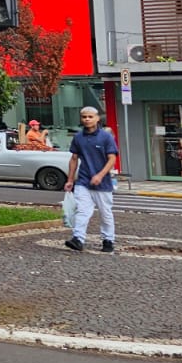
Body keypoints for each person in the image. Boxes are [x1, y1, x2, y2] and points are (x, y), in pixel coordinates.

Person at [64, 106, 120, 254]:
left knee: (105, 213)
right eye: (84, 117)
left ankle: (108, 240)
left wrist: (100, 175)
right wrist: (70, 180)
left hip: (103, 183)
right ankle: (78, 239)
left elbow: (112, 159)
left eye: (90, 117)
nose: (87, 119)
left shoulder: (106, 137)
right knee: (82, 210)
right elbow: (74, 158)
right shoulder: (78, 137)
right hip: (83, 181)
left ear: (97, 118)